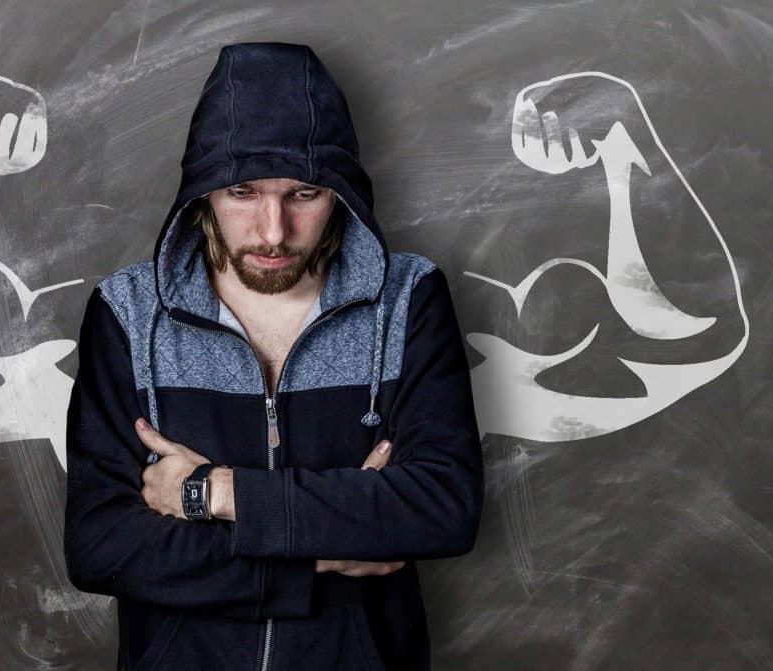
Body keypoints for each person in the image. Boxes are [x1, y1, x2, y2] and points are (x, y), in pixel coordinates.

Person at [63, 41, 484, 671]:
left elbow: (441, 508)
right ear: (202, 193)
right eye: (242, 192)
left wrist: (216, 494)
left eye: (304, 194)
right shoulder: (127, 311)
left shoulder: (408, 299)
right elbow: (101, 547)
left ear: (340, 194)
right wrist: (316, 557)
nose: (273, 232)